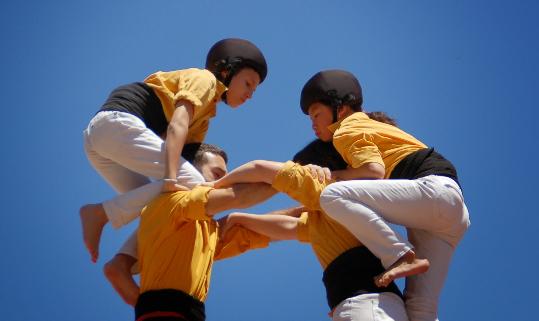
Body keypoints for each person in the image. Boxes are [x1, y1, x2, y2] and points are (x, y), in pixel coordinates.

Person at [300, 70, 470, 321]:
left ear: (341, 108)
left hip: (432, 192)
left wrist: (330, 175)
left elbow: (373, 171)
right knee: (421, 309)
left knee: (332, 196)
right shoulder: (373, 126)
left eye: (316, 114)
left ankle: (398, 255)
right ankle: (401, 256)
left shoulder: (346, 128)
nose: (313, 124)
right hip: (449, 213)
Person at [80, 38, 268, 262]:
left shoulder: (205, 117)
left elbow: (184, 158)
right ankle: (100, 214)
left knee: (161, 204)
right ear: (227, 71)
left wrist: (173, 183)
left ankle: (123, 264)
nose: (250, 95)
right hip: (116, 124)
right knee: (197, 187)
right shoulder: (205, 80)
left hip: (101, 142)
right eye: (248, 83)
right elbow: (177, 125)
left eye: (254, 90)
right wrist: (170, 177)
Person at [219, 139, 409, 321]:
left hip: (368, 305)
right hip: (374, 305)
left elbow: (260, 168)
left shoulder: (326, 189)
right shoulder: (328, 214)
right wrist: (240, 218)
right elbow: (287, 228)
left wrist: (214, 186)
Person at [109, 143, 277, 321]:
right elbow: (240, 196)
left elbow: (263, 229)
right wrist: (295, 179)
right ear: (190, 171)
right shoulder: (173, 201)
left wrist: (306, 211)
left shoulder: (206, 228)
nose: (223, 183)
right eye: (217, 174)